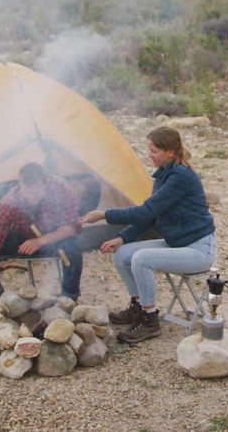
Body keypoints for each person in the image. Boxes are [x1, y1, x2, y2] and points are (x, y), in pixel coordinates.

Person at [80, 126, 216, 344]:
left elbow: (146, 211)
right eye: (149, 150)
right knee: (122, 253)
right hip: (177, 244)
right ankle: (138, 306)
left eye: (154, 151)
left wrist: (104, 214)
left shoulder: (180, 176)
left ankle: (150, 320)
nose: (150, 155)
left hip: (198, 249)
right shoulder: (163, 175)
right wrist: (122, 238)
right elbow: (151, 217)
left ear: (170, 152)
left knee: (141, 259)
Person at [0, 162, 82, 306]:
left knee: (73, 246)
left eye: (35, 193)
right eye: (26, 193)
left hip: (53, 235)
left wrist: (41, 241)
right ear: (19, 185)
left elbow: (74, 226)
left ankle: (70, 299)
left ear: (45, 183)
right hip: (21, 238)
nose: (31, 198)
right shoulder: (9, 201)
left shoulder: (60, 188)